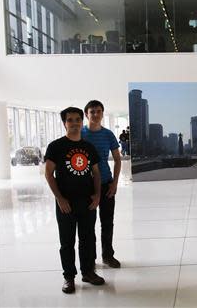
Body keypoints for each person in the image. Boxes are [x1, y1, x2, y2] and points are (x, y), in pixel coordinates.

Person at [44, 107, 105, 294]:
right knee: (67, 241)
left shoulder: (88, 147)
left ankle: (88, 272)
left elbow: (96, 173)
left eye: (77, 119)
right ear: (65, 123)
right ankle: (69, 277)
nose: (74, 123)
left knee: (88, 239)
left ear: (81, 121)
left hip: (87, 201)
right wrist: (60, 198)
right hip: (66, 203)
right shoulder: (56, 146)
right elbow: (48, 174)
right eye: (70, 120)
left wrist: (97, 195)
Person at [82, 100, 122, 269]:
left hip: (106, 183)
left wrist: (114, 183)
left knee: (107, 222)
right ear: (86, 114)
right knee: (87, 225)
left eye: (99, 111)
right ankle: (90, 259)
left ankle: (108, 255)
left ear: (102, 113)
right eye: (92, 112)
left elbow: (118, 160)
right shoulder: (81, 134)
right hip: (85, 186)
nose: (96, 114)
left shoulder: (108, 135)